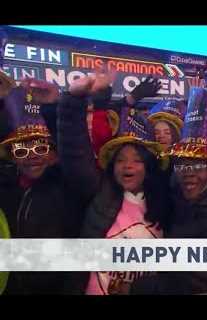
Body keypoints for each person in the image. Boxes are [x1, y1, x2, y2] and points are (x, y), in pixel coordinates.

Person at [56, 72, 172, 295]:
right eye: (121, 160)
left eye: (137, 160)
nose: (128, 166)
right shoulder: (100, 191)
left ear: (148, 166)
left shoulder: (166, 202)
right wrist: (72, 99)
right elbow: (75, 153)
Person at [129, 76, 207, 294]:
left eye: (198, 166)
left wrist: (136, 288)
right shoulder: (183, 202)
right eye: (182, 167)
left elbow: (197, 283)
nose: (189, 174)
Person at [0, 80, 87, 294]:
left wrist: (52, 106)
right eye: (22, 149)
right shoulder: (5, 186)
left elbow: (74, 150)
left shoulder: (67, 184)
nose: (32, 156)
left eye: (40, 147)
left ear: (55, 152)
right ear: (12, 155)